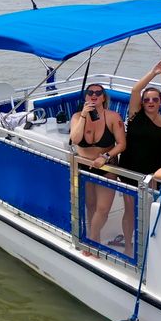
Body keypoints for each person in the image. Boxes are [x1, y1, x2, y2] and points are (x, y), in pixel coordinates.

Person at [117, 55, 161, 256]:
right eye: (147, 99)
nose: (150, 102)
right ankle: (129, 244)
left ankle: (150, 245)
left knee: (150, 209)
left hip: (153, 173)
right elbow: (135, 90)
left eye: (155, 99)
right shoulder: (135, 116)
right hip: (130, 169)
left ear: (160, 103)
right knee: (130, 210)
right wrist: (154, 71)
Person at [69, 84, 126, 255]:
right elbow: (75, 139)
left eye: (98, 93)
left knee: (103, 208)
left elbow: (122, 144)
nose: (94, 95)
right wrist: (84, 115)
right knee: (90, 205)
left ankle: (92, 240)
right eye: (90, 93)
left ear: (103, 97)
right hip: (82, 167)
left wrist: (106, 156)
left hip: (106, 166)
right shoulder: (77, 116)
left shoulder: (113, 117)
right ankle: (95, 236)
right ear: (86, 97)